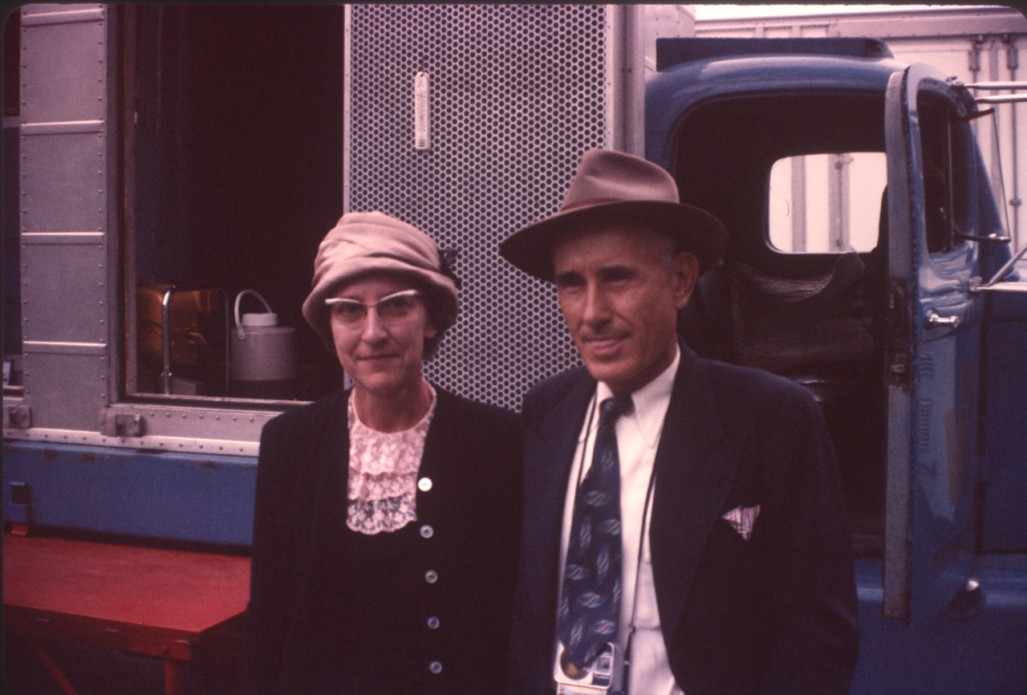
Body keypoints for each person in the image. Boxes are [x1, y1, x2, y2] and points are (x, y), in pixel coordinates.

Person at [499, 149, 858, 695]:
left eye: (617, 278)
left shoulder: (769, 418)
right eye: (571, 283)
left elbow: (816, 634)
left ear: (681, 281)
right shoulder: (545, 412)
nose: (592, 312)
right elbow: (522, 611)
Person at [244, 211, 522, 694]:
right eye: (349, 310)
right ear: (329, 326)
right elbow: (270, 618)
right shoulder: (289, 444)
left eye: (395, 307)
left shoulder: (497, 444)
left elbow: (516, 622)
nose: (372, 332)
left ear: (432, 317)